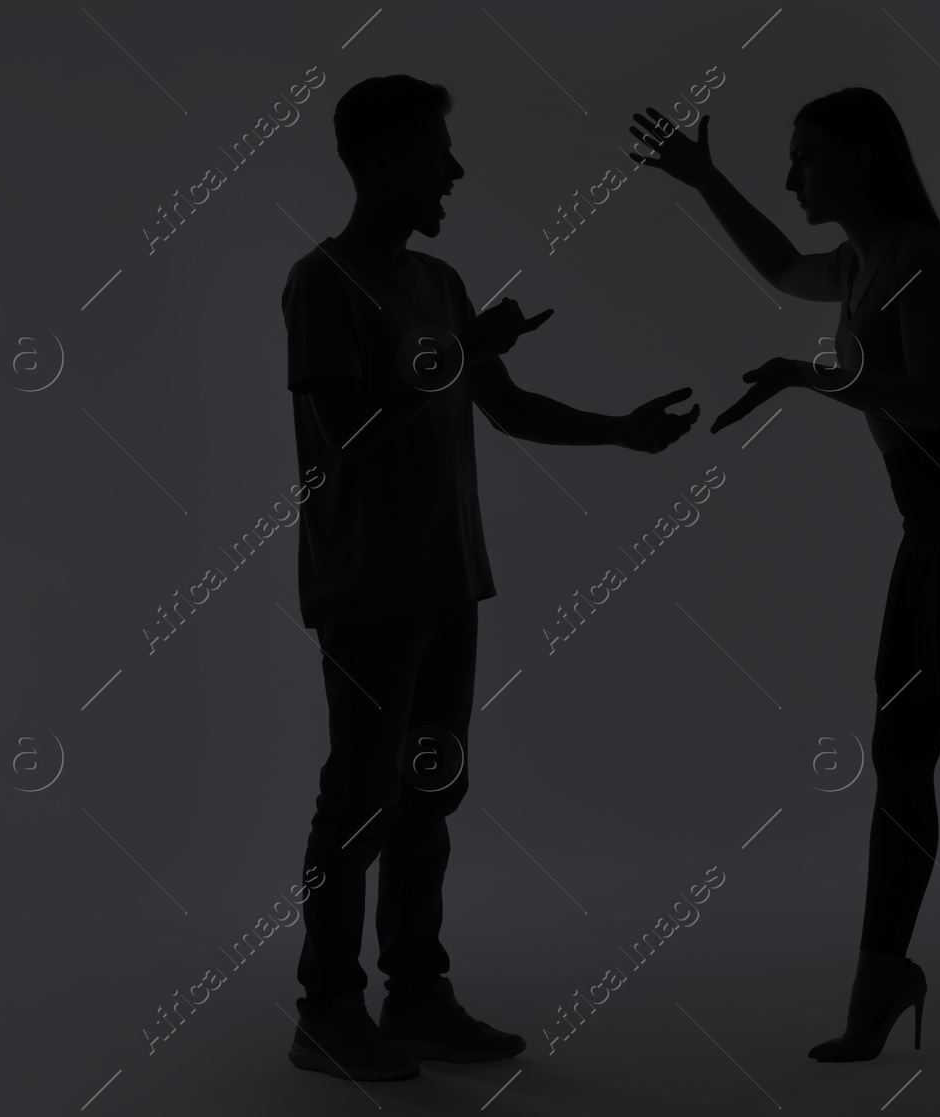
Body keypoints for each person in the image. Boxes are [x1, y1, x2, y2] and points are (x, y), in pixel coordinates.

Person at [628, 86, 940, 1076]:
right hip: (933, 533)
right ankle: (881, 984)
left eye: (806, 157)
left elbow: (932, 400)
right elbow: (775, 265)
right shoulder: (857, 263)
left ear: (860, 158)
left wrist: (812, 378)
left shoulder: (921, 257)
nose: (793, 176)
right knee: (901, 764)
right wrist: (703, 178)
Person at [283, 74, 699, 1083]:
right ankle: (325, 1011)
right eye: (436, 151)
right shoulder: (320, 285)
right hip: (366, 591)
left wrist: (619, 431)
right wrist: (460, 351)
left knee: (430, 792)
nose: (454, 171)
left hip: (448, 585)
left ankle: (415, 994)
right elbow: (344, 436)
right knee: (359, 799)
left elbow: (502, 406)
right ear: (382, 163)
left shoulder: (439, 283)